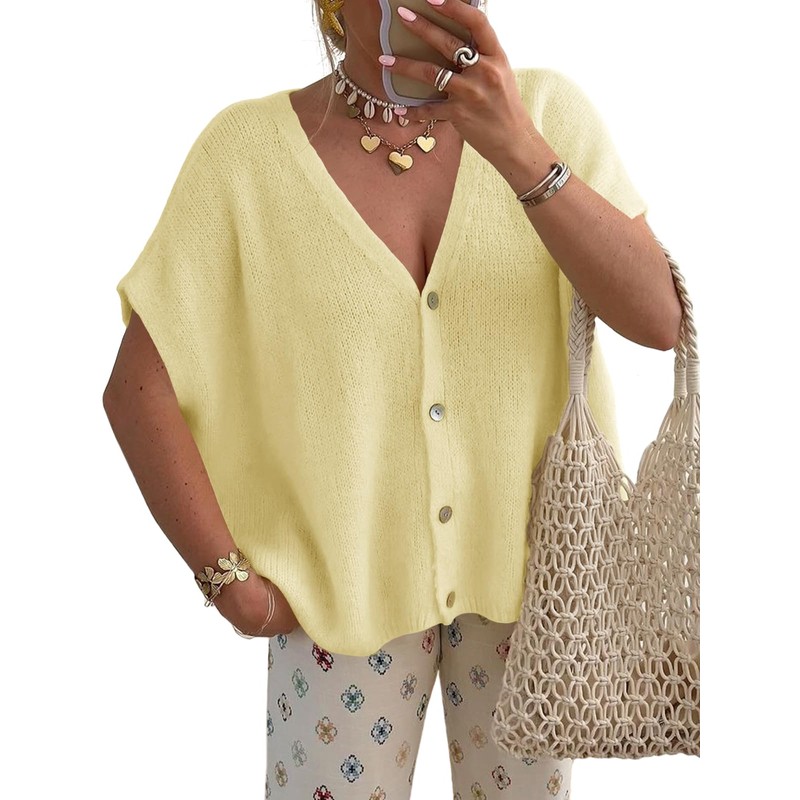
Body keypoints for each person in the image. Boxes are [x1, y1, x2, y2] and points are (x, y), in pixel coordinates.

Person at [103, 1, 683, 797]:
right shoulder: (247, 155)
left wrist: (519, 150)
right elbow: (139, 389)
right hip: (334, 602)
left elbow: (656, 320)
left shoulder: (548, 114)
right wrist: (228, 581)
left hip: (538, 592)